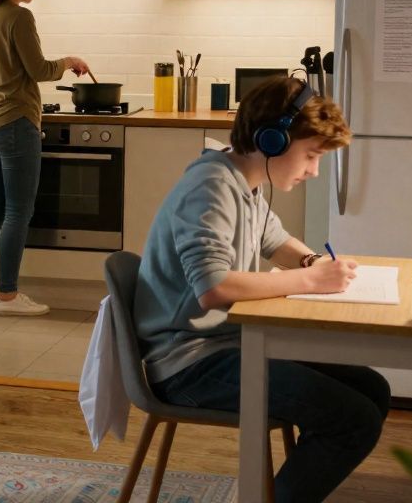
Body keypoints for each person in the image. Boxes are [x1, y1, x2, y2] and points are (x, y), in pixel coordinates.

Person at [134, 76, 388, 502]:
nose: (313, 170)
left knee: (371, 390)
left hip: (224, 345)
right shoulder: (211, 186)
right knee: (353, 419)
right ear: (270, 140)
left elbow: (275, 241)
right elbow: (213, 287)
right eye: (310, 155)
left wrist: (313, 262)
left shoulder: (243, 184)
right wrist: (311, 280)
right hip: (188, 363)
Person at [0, 0, 90, 316]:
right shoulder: (19, 17)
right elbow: (39, 69)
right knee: (18, 212)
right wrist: (69, 61)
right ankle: (8, 296)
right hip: (15, 124)